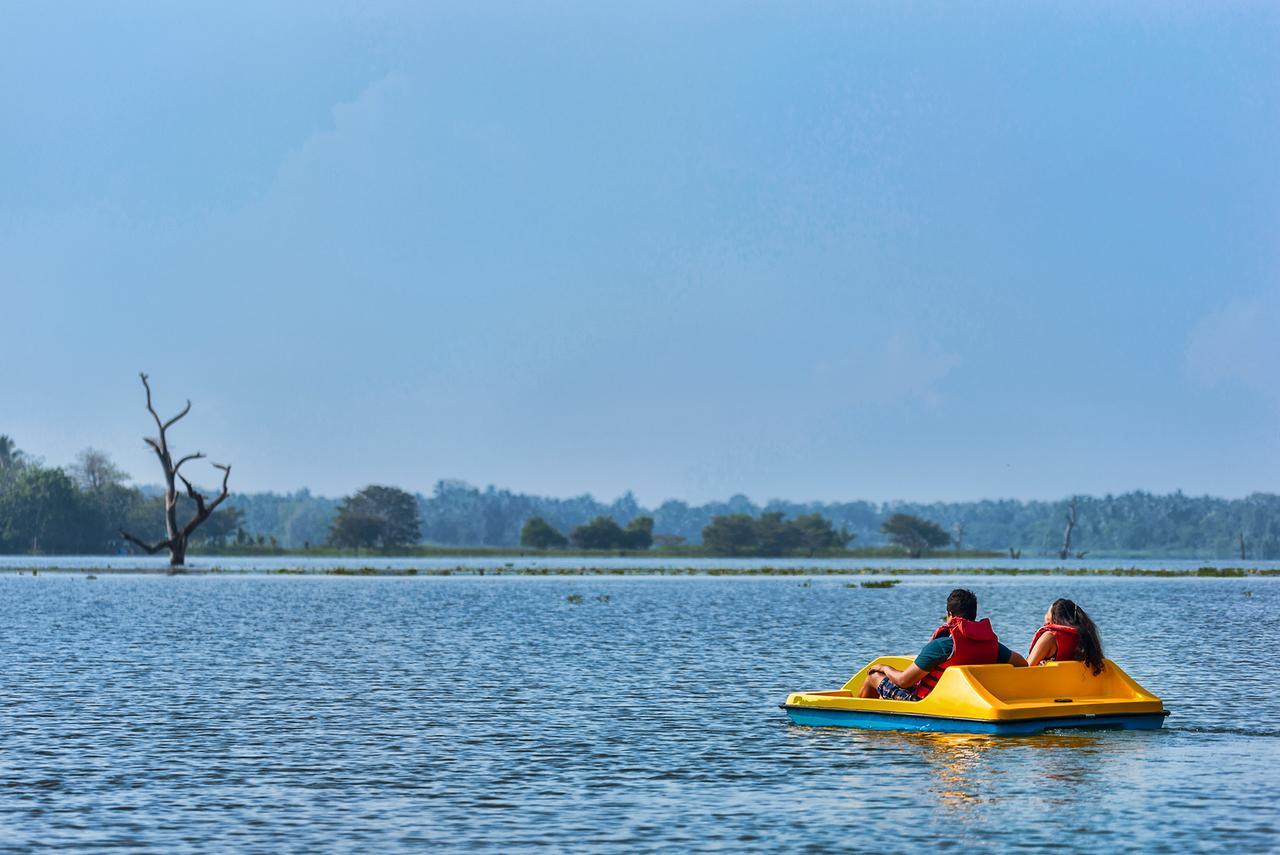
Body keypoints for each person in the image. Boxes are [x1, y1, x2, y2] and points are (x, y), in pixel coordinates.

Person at [858, 588, 1027, 701]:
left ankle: (859, 723)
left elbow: (904, 682)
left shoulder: (943, 646)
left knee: (873, 676)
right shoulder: (992, 646)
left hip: (927, 702)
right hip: (966, 701)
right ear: (974, 615)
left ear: (950, 615)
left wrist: (883, 668)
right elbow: (1022, 663)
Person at [1027, 598, 1105, 674]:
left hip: (1050, 682)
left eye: (1047, 613)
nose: (1045, 616)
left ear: (1054, 619)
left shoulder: (1050, 637)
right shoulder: (1083, 637)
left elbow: (1027, 667)